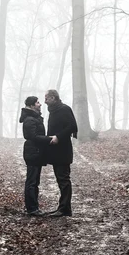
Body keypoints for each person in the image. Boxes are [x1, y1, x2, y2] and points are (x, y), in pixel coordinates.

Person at [44, 89, 78, 217]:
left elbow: (72, 126)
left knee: (64, 179)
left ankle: (65, 209)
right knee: (60, 179)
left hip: (63, 150)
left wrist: (58, 136)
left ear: (53, 98)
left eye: (46, 98)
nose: (44, 101)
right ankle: (63, 207)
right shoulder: (53, 110)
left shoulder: (64, 109)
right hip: (56, 151)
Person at [19, 96, 52, 216]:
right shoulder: (30, 119)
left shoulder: (33, 118)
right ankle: (32, 208)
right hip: (33, 152)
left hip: (35, 152)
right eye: (37, 102)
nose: (40, 104)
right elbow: (32, 136)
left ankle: (34, 207)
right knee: (32, 181)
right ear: (32, 105)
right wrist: (49, 139)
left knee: (34, 181)